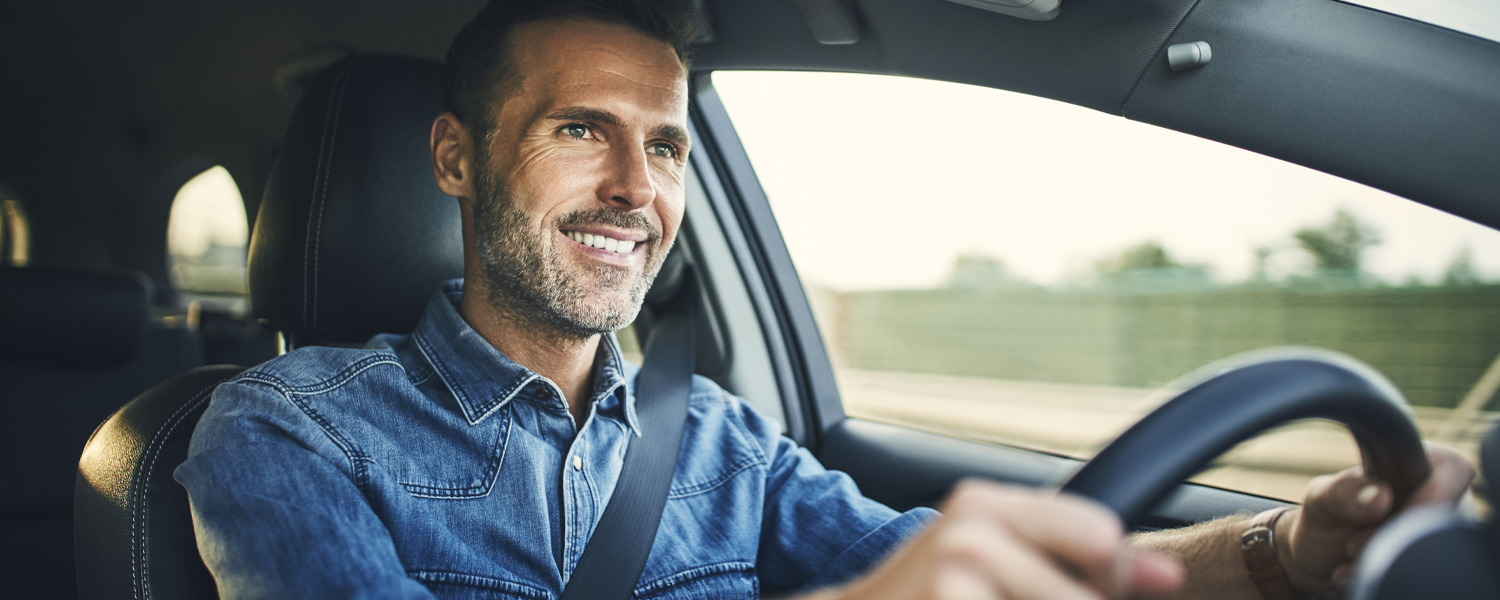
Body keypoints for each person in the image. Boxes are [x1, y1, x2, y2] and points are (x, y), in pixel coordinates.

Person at [175, 1, 1475, 598]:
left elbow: (997, 567)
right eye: (584, 130)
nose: (639, 187)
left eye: (669, 144)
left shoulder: (722, 440)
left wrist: (1278, 554)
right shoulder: (283, 432)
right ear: (458, 157)